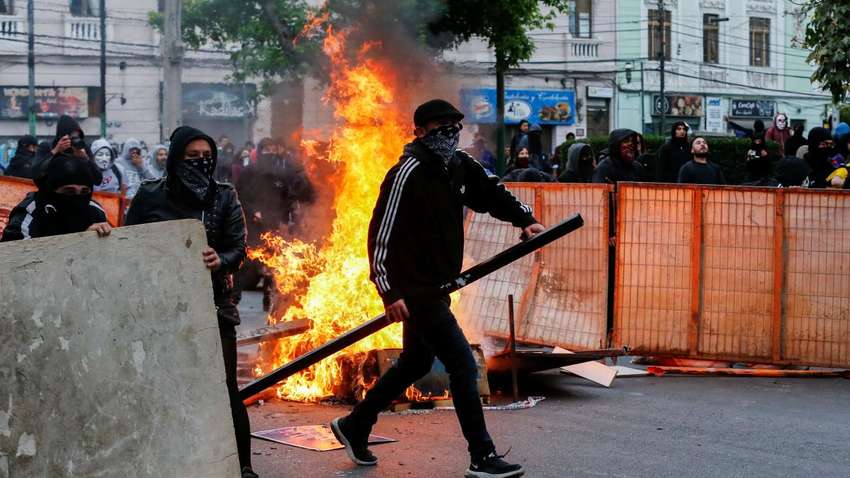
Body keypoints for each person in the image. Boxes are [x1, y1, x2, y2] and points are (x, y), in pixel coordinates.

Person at [330, 99, 542, 478]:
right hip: (415, 289)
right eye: (439, 125)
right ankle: (482, 456)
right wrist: (389, 292)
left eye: (453, 124)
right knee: (461, 362)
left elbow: (491, 191)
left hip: (438, 285)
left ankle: (355, 425)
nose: (449, 131)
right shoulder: (406, 171)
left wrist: (524, 220)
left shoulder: (459, 165)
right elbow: (380, 235)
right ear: (420, 131)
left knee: (416, 361)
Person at [124, 126, 257, 478]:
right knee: (168, 385)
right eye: (192, 157)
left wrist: (221, 259)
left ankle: (242, 465)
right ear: (175, 157)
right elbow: (128, 244)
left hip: (215, 301)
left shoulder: (225, 196)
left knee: (226, 386)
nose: (201, 163)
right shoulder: (150, 195)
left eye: (206, 157)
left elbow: (239, 248)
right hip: (162, 304)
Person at [2, 154, 111, 241]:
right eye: (69, 191)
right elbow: (17, 260)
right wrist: (81, 241)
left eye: (84, 191)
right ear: (51, 189)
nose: (77, 198)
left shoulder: (95, 211)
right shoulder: (27, 215)